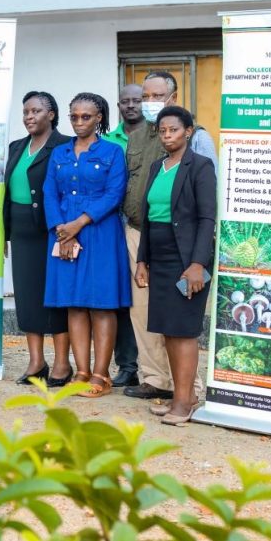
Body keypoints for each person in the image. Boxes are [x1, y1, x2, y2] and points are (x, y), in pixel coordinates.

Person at [122, 71, 211, 401]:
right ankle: (156, 379)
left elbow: (207, 208)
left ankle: (188, 391)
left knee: (180, 322)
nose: (148, 102)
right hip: (141, 236)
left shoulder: (198, 139)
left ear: (172, 97)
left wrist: (198, 259)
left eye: (156, 96)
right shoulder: (138, 138)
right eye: (145, 96)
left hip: (183, 247)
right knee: (145, 313)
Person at [43, 92, 131, 398]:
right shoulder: (60, 153)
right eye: (74, 116)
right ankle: (80, 371)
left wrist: (78, 224)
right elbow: (49, 192)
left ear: (99, 119)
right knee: (74, 302)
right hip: (63, 232)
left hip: (99, 233)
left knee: (101, 303)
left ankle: (100, 374)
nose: (79, 122)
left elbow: (114, 193)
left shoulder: (112, 152)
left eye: (86, 116)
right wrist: (60, 229)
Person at [135, 106, 216, 425]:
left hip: (187, 258)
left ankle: (183, 402)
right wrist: (143, 260)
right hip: (160, 254)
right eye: (163, 130)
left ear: (188, 132)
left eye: (174, 130)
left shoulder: (200, 166)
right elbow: (147, 217)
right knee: (168, 330)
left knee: (183, 332)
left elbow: (207, 217)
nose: (167, 135)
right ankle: (184, 396)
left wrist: (197, 264)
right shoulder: (157, 167)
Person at [3, 91, 72, 386]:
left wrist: (66, 230)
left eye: (36, 111)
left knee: (54, 297)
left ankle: (60, 364)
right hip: (21, 231)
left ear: (51, 114)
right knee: (27, 296)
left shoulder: (65, 146)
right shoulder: (16, 146)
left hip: (52, 231)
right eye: (26, 112)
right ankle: (35, 362)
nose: (29, 117)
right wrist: (3, 232)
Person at [101, 83, 145, 388]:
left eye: (137, 101)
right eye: (125, 101)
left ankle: (151, 368)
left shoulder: (158, 135)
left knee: (146, 299)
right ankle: (127, 365)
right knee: (121, 301)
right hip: (112, 229)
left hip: (145, 229)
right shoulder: (107, 141)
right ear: (118, 105)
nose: (131, 106)